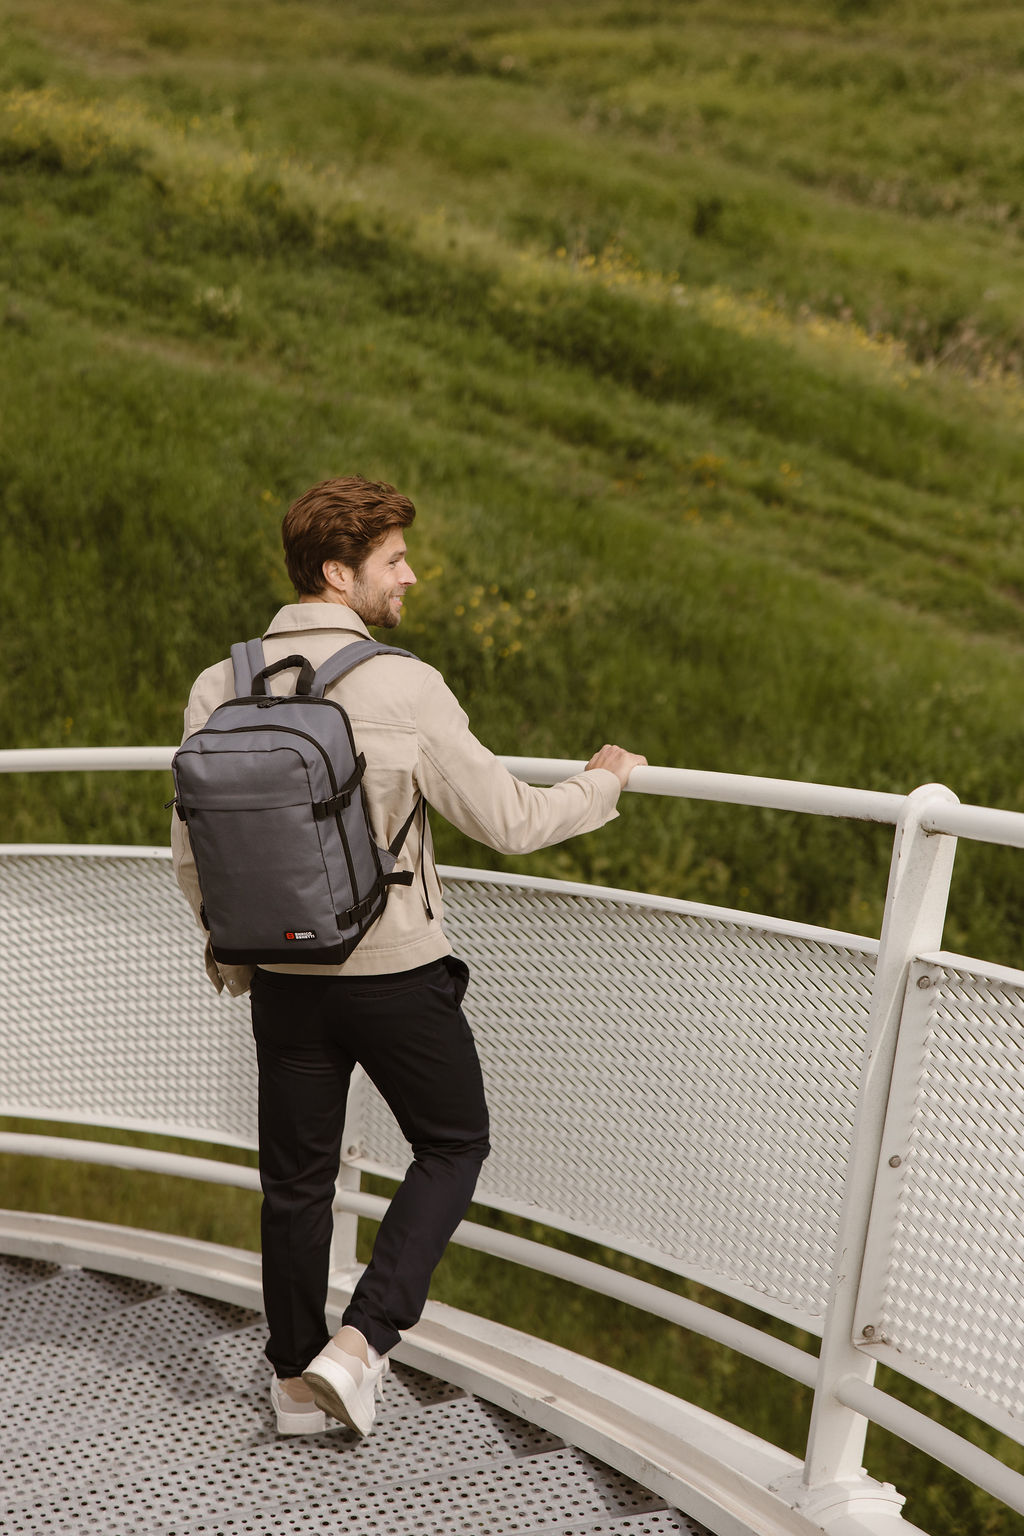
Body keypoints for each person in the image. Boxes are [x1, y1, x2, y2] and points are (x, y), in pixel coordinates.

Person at [171, 474, 646, 1439]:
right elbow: (511, 821)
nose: (412, 576)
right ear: (337, 573)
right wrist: (600, 787)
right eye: (394, 560)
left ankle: (294, 1385)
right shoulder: (403, 683)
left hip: (280, 978)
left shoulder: (219, 685)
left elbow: (192, 851)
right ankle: (361, 1344)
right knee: (454, 1143)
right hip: (393, 971)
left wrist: (238, 954)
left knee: (295, 1183)